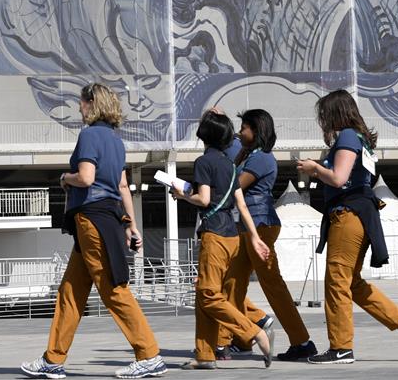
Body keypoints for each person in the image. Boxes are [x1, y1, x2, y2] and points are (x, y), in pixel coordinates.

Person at [21, 83, 167, 379]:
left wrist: (65, 177)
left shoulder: (88, 135)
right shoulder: (115, 140)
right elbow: (123, 186)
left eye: (81, 103)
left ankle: (149, 354)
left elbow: (86, 178)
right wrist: (132, 225)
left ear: (91, 103)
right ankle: (53, 359)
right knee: (70, 292)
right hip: (106, 219)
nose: (79, 108)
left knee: (113, 288)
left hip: (92, 220)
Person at [296, 89, 398, 364]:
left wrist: (315, 168)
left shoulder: (348, 136)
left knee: (337, 281)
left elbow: (339, 178)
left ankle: (341, 347)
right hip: (357, 213)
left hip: (349, 213)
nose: (322, 121)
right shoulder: (358, 138)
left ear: (336, 113)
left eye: (324, 115)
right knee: (351, 282)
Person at [171, 109, 274, 370]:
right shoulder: (230, 165)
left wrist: (182, 195)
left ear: (203, 135)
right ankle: (205, 355)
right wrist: (254, 238)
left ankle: (253, 331)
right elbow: (240, 204)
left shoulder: (203, 163)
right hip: (232, 235)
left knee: (207, 294)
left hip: (214, 235)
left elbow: (204, 200)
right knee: (204, 295)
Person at [216, 109, 316, 361]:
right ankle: (232, 339)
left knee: (273, 285)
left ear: (256, 131)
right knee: (232, 284)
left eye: (244, 128)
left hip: (260, 225)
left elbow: (233, 186)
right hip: (251, 226)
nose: (240, 133)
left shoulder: (261, 159)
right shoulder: (251, 155)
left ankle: (302, 341)